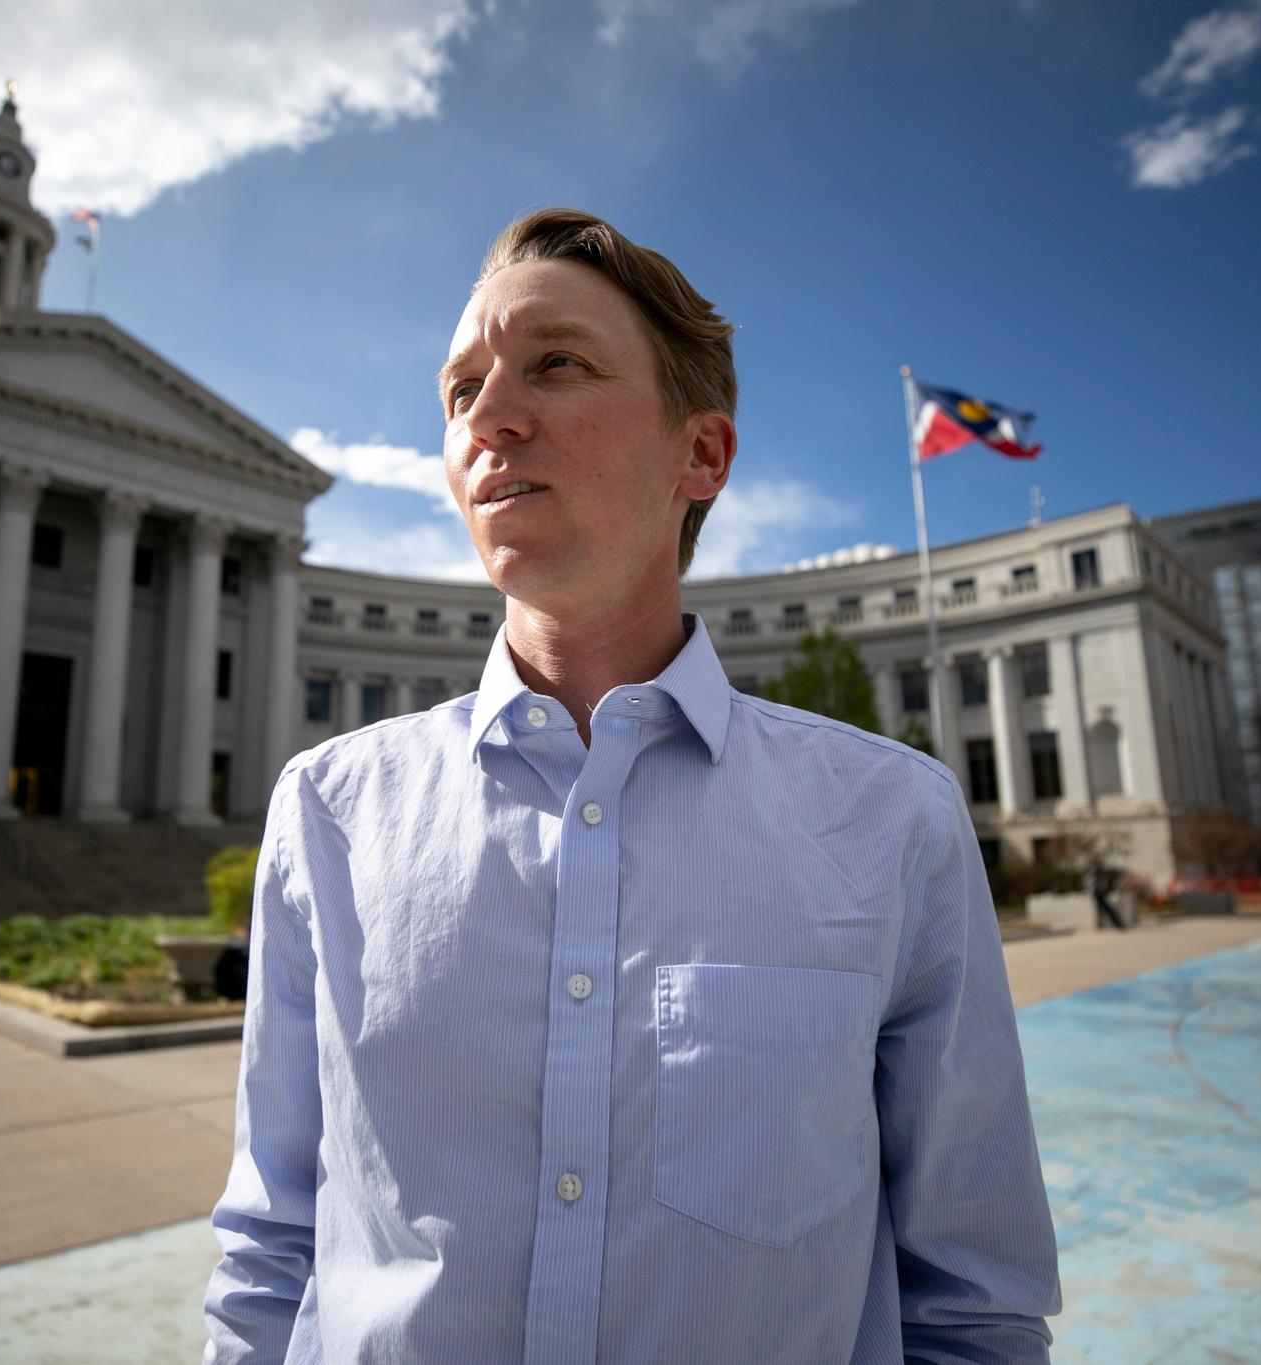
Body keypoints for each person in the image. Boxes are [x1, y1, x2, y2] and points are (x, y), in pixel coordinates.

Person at [203, 208, 1060, 1363]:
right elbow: (270, 1248)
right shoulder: (327, 812)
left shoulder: (889, 822)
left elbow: (968, 1305)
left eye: (556, 364)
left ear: (699, 455)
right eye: (460, 391)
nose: (489, 416)